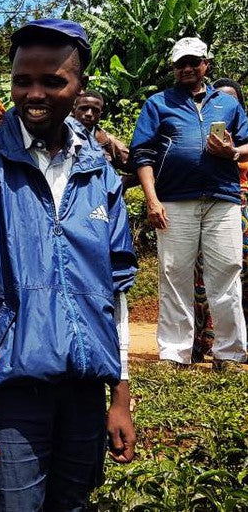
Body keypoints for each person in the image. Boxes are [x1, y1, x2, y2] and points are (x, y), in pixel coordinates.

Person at [0, 19, 138, 511]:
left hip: (84, 391)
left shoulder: (98, 169)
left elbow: (116, 289)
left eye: (52, 82)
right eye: (22, 81)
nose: (34, 94)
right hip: (6, 390)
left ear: (80, 85)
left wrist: (119, 396)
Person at [131, 37, 248, 371]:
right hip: (173, 200)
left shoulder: (227, 104)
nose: (186, 68)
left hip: (223, 199)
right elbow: (143, 154)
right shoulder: (158, 104)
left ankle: (229, 354)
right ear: (173, 68)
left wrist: (233, 153)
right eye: (180, 63)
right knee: (174, 275)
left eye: (193, 62)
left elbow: (246, 142)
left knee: (227, 272)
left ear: (205, 64)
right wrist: (152, 200)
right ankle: (174, 353)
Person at [192, 77, 248, 361]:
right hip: (214, 208)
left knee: (236, 281)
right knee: (201, 280)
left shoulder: (244, 142)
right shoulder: (201, 136)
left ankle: (237, 345)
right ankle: (201, 342)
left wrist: (233, 152)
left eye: (233, 99)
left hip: (240, 213)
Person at [72, 90, 138, 190]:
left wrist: (122, 182)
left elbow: (142, 167)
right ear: (73, 111)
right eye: (84, 108)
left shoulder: (107, 142)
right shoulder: (57, 135)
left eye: (95, 110)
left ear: (100, 115)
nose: (89, 114)